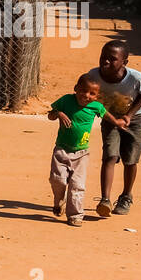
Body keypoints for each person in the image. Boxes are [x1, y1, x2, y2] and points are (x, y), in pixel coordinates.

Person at [87, 40, 141, 216]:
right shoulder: (93, 75)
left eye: (112, 59)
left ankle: (126, 196)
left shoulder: (135, 78)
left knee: (130, 160)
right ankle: (105, 200)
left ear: (124, 62)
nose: (106, 61)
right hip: (110, 118)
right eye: (103, 57)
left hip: (135, 119)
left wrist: (129, 115)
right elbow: (86, 93)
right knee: (110, 156)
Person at [47, 74, 107, 227]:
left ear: (97, 96)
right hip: (61, 150)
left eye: (92, 94)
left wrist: (120, 123)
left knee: (77, 184)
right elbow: (50, 115)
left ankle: (75, 215)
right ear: (75, 89)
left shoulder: (96, 107)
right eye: (83, 91)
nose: (86, 96)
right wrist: (59, 113)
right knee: (57, 179)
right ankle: (59, 199)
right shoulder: (66, 100)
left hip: (82, 153)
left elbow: (108, 117)